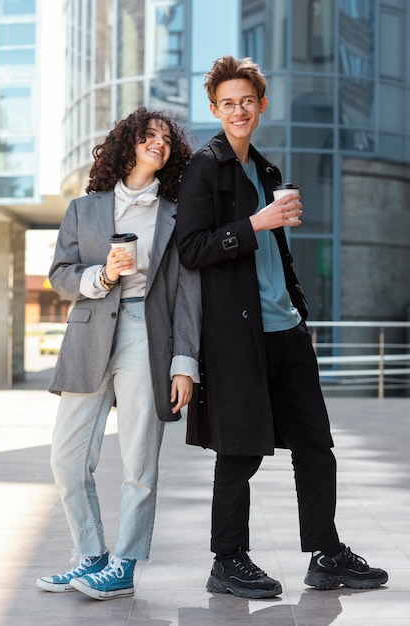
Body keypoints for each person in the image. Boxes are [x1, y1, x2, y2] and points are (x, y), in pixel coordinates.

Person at [175, 56, 388, 599]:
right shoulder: (206, 166)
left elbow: (278, 253)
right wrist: (255, 223)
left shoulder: (264, 170)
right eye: (228, 103)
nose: (239, 110)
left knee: (316, 446)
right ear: (215, 109)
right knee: (240, 449)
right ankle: (227, 561)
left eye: (247, 100)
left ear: (260, 104)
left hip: (286, 331)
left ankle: (326, 553)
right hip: (239, 336)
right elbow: (191, 249)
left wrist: (298, 309)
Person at [36, 107, 201, 600]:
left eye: (167, 139)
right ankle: (91, 555)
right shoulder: (83, 210)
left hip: (146, 335)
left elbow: (187, 295)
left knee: (139, 462)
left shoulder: (175, 215)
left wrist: (184, 363)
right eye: (149, 135)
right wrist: (103, 273)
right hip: (89, 331)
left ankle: (125, 563)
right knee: (66, 458)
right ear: (127, 143)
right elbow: (60, 276)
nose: (159, 143)